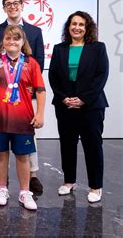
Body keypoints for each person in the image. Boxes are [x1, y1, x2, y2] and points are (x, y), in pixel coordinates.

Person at [0, 25, 45, 211]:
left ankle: (25, 192)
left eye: (16, 39)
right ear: (3, 42)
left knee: (23, 156)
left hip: (22, 118)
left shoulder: (31, 63)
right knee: (0, 154)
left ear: (22, 42)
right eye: (8, 38)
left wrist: (39, 113)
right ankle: (2, 188)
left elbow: (40, 90)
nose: (11, 42)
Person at [0, 0, 45, 194]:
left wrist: (29, 90)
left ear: (22, 6)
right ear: (4, 8)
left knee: (26, 139)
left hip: (25, 94)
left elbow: (38, 60)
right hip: (2, 95)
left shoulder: (35, 31)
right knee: (2, 148)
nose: (12, 7)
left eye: (15, 3)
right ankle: (2, 183)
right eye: (8, 4)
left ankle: (32, 176)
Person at [48, 11, 108, 203]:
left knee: (93, 146)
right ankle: (69, 181)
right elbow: (54, 77)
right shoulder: (59, 49)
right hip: (65, 105)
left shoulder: (97, 48)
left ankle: (95, 187)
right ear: (68, 27)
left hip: (91, 106)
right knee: (67, 145)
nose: (77, 27)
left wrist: (83, 99)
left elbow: (101, 76)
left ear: (87, 27)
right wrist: (64, 98)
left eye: (81, 24)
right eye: (73, 24)